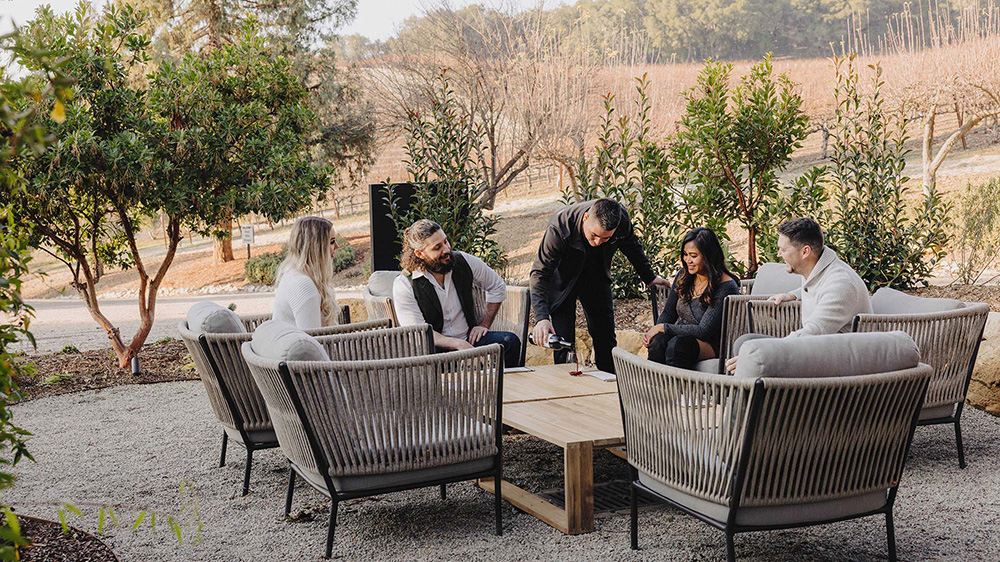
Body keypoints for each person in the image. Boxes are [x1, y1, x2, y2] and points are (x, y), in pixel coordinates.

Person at [530, 198, 670, 373]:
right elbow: (539, 273)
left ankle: (610, 384)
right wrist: (541, 318)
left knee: (605, 337)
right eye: (594, 235)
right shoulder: (560, 226)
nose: (597, 242)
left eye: (605, 238)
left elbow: (632, 248)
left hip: (596, 277)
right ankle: (565, 387)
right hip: (562, 281)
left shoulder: (621, 221)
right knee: (564, 342)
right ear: (586, 218)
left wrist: (649, 278)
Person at [725, 217, 872, 372]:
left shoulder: (841, 283)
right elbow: (819, 289)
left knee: (752, 353)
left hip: (838, 364)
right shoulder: (817, 269)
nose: (779, 255)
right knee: (746, 342)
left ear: (805, 252)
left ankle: (750, 394)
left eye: (783, 250)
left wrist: (757, 356)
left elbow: (813, 332)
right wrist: (794, 295)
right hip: (819, 349)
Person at [392, 219, 522, 367]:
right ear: (419, 253)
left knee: (510, 342)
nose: (446, 249)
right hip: (435, 350)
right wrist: (458, 345)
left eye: (446, 242)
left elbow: (497, 286)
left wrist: (484, 325)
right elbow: (418, 332)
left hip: (470, 341)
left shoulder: (463, 261)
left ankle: (506, 389)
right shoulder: (405, 284)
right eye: (437, 247)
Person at [644, 228, 739, 369]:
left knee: (677, 345)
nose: (688, 260)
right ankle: (654, 388)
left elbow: (704, 330)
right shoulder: (685, 275)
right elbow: (668, 313)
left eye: (693, 256)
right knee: (658, 341)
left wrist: (663, 328)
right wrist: (655, 333)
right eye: (685, 254)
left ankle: (677, 390)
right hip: (683, 335)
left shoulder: (725, 286)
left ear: (708, 256)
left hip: (712, 343)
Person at [272, 216, 342, 330]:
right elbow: (312, 341)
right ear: (315, 247)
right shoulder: (303, 284)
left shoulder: (295, 275)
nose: (337, 246)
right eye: (332, 242)